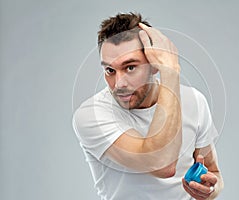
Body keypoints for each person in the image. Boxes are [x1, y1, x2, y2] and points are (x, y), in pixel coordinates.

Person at [73, 12, 224, 200]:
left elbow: (213, 173)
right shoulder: (91, 115)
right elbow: (161, 163)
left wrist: (209, 190)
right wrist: (171, 70)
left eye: (130, 67)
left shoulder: (194, 101)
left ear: (154, 64)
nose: (119, 84)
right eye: (110, 70)